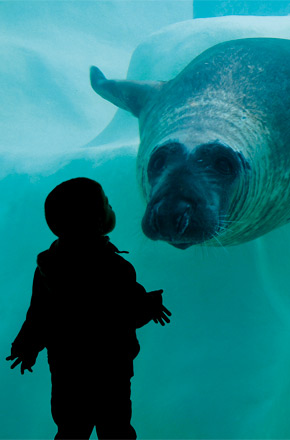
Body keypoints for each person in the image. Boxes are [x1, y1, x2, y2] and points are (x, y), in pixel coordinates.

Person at [6, 177, 171, 440]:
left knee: (70, 429)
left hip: (67, 370)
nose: (111, 206)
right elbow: (127, 315)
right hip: (110, 371)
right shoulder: (115, 268)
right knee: (116, 430)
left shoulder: (48, 268)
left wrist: (27, 346)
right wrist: (150, 305)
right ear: (96, 220)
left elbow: (38, 314)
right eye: (106, 203)